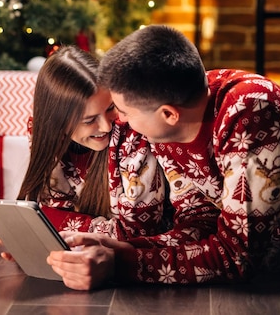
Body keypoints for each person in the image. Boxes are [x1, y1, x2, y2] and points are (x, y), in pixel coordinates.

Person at [48, 25, 280, 290]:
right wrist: (124, 248)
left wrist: (120, 265)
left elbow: (237, 257)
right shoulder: (169, 123)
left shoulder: (252, 112)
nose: (118, 122)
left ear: (168, 114)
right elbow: (199, 224)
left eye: (123, 111)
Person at [16, 45, 167, 240]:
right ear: (57, 123)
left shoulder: (134, 134)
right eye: (89, 120)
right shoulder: (43, 132)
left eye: (111, 107)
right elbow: (52, 206)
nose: (105, 127)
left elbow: (138, 232)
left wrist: (49, 222)